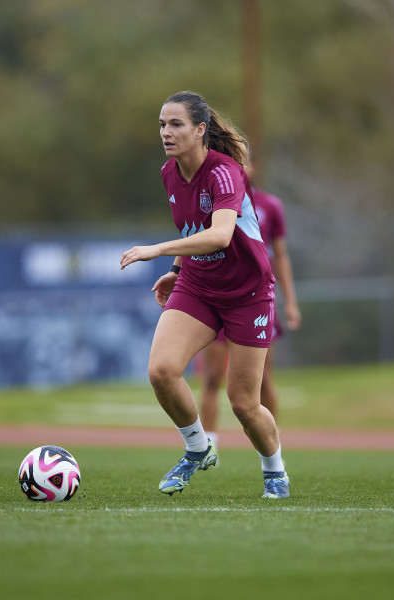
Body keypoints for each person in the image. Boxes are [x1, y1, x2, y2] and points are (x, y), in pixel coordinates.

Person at [119, 91, 289, 499]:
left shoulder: (225, 171)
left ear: (200, 130)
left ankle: (274, 470)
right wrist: (176, 271)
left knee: (244, 403)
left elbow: (220, 234)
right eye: (162, 124)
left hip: (248, 292)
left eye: (176, 124)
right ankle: (197, 448)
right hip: (199, 285)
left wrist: (158, 251)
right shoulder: (169, 173)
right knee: (161, 370)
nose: (166, 132)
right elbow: (192, 230)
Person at [198, 161, 301, 457]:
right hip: (219, 298)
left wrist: (291, 301)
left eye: (245, 161)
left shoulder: (270, 205)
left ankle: (270, 443)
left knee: (263, 379)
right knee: (212, 377)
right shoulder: (213, 201)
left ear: (253, 168)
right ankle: (209, 445)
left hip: (254, 300)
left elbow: (280, 255)